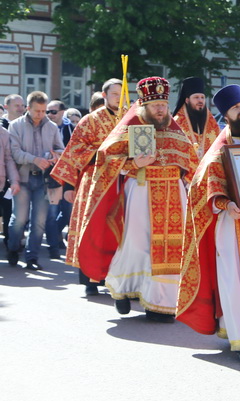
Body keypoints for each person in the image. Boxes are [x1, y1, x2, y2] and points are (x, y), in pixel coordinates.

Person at [76, 77, 198, 321]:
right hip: (142, 191)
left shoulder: (174, 129)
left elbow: (191, 162)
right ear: (144, 105)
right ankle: (122, 291)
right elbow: (105, 158)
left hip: (173, 195)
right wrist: (132, 163)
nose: (161, 109)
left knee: (172, 250)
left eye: (163, 104)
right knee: (136, 246)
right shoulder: (131, 124)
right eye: (156, 105)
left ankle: (160, 304)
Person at [177, 84, 240, 364]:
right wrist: (225, 204)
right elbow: (206, 186)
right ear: (227, 116)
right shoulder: (220, 148)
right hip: (232, 223)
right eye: (237, 109)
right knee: (235, 280)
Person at [50, 78, 124, 296]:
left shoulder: (130, 120)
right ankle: (90, 279)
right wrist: (104, 153)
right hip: (94, 182)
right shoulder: (90, 120)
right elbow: (75, 151)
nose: (118, 99)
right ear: (104, 95)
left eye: (122, 95)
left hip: (123, 181)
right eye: (114, 94)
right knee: (93, 228)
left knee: (119, 229)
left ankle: (114, 278)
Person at [7, 91, 64, 270]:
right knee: (19, 219)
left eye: (43, 111)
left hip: (43, 180)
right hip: (23, 178)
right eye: (37, 111)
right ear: (28, 108)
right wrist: (34, 159)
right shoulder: (16, 126)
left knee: (39, 221)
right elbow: (14, 153)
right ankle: (13, 248)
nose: (41, 114)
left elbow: (61, 149)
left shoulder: (52, 127)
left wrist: (55, 156)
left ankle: (32, 257)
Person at [45, 100, 75, 259]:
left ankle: (56, 236)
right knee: (52, 211)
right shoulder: (45, 126)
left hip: (68, 175)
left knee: (68, 211)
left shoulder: (71, 128)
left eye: (53, 112)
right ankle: (53, 244)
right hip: (52, 176)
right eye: (48, 111)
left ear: (63, 112)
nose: (49, 115)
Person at [172, 76, 219, 159]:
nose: (200, 101)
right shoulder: (177, 122)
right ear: (187, 100)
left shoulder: (212, 122)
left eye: (202, 97)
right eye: (196, 97)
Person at [1, 94, 25, 248]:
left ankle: (12, 247)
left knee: (12, 213)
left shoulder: (5, 132)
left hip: (10, 180)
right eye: (16, 105)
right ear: (6, 107)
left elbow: (9, 158)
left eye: (21, 105)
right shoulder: (4, 127)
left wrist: (15, 179)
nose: (20, 108)